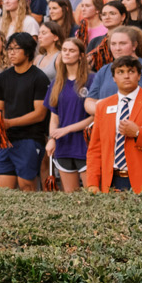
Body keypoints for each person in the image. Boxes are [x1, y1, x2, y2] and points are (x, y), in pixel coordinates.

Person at [84, 55, 142, 194]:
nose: (126, 76)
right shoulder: (103, 106)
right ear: (113, 77)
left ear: (139, 75)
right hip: (112, 181)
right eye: (120, 72)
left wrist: (138, 133)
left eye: (131, 71)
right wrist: (92, 183)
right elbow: (95, 148)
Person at [0, 32, 50, 191]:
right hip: (6, 140)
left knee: (27, 185)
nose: (11, 53)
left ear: (28, 50)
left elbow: (40, 114)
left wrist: (10, 123)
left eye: (16, 49)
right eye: (9, 49)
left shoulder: (39, 78)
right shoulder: (2, 78)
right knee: (4, 189)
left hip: (30, 138)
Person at [44, 37, 92, 192]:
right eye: (64, 50)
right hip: (63, 145)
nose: (67, 53)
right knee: (71, 197)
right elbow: (54, 117)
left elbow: (95, 116)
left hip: (85, 144)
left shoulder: (92, 79)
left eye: (72, 50)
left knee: (92, 197)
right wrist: (52, 138)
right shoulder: (57, 82)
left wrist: (67, 129)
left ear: (81, 56)